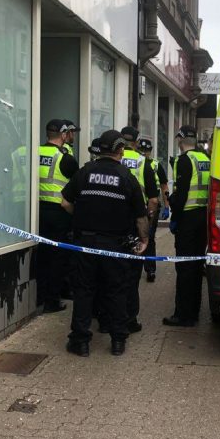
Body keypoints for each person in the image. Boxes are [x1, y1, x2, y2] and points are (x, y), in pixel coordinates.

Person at [61, 130, 149, 356]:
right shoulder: (127, 177)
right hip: (115, 246)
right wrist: (144, 240)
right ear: (120, 150)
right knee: (116, 291)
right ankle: (118, 340)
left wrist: (80, 217)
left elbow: (65, 203)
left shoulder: (85, 172)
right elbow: (141, 216)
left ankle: (80, 341)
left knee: (84, 292)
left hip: (85, 243)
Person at [163, 126, 210, 327]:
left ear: (181, 140)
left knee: (184, 267)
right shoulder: (206, 159)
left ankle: (183, 315)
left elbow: (181, 195)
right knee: (196, 266)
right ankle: (194, 311)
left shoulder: (184, 160)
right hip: (203, 217)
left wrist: (171, 205)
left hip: (188, 219)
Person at [36, 119, 79, 313]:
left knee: (41, 256)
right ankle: (52, 301)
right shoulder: (65, 158)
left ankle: (38, 296)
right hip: (58, 214)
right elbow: (77, 187)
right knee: (56, 259)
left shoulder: (33, 151)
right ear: (63, 135)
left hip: (34, 211)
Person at [119, 126, 159, 332]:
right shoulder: (143, 162)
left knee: (110, 271)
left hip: (110, 221)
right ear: (135, 141)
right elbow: (153, 199)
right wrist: (148, 218)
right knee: (132, 273)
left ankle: (107, 317)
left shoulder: (110, 158)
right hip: (135, 221)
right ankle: (129, 320)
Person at [137, 137, 170, 282]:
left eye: (146, 150)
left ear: (150, 151)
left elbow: (164, 187)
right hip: (138, 206)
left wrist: (167, 206)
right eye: (142, 150)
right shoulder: (137, 163)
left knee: (149, 237)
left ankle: (150, 269)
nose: (144, 153)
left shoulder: (156, 165)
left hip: (151, 207)